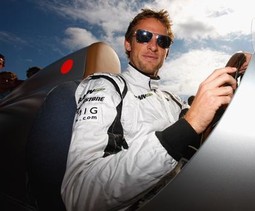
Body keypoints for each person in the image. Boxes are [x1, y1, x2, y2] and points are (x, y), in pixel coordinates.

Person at [61, 8, 239, 210]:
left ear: (167, 51)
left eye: (162, 41)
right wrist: (188, 126)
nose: (153, 46)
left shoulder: (171, 99)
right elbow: (79, 196)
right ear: (128, 44)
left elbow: (203, 139)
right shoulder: (106, 86)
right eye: (144, 36)